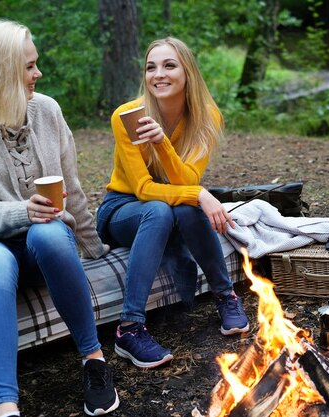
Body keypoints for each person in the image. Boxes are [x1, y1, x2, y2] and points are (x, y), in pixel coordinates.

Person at [0, 20, 119, 417]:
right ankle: (6, 407)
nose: (38, 73)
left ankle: (94, 361)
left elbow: (71, 185)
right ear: (0, 72)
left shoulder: (48, 111)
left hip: (45, 243)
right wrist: (25, 210)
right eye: (28, 66)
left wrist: (91, 244)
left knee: (51, 236)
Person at [96, 37, 250, 369]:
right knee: (162, 207)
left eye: (169, 65)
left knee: (181, 206)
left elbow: (185, 185)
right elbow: (143, 188)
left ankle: (226, 296)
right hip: (123, 208)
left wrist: (164, 145)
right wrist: (199, 194)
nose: (158, 74)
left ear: (187, 72)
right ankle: (129, 329)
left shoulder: (206, 117)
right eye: (151, 67)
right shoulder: (127, 116)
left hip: (169, 208)